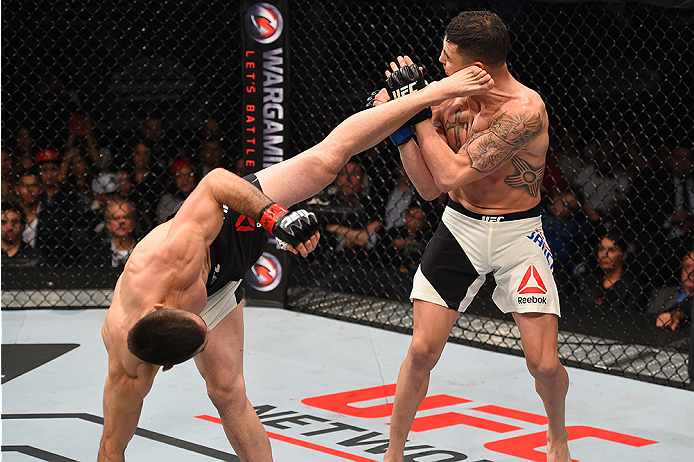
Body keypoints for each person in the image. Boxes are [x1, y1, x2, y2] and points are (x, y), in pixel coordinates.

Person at [97, 63, 495, 461]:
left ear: (163, 309)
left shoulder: (169, 254)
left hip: (225, 228)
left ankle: (420, 97)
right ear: (163, 366)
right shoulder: (130, 373)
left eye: (196, 316)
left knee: (325, 163)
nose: (210, 316)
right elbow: (110, 450)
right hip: (210, 283)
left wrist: (277, 218)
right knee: (226, 389)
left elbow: (216, 181)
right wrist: (203, 315)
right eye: (202, 321)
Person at [372, 11, 571, 462]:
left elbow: (449, 172)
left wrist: (416, 109)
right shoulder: (449, 101)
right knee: (421, 351)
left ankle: (557, 435)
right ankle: (394, 450)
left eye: (448, 57)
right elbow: (427, 188)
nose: (439, 61)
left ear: (477, 66)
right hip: (458, 227)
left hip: (518, 238)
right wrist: (402, 131)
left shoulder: (524, 110)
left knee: (542, 363)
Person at [650, 250, 694, 332]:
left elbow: (688, 306)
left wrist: (677, 313)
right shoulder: (661, 294)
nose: (691, 272)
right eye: (687, 266)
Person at [91, 199, 138, 269]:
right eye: (116, 218)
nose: (121, 222)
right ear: (108, 224)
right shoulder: (95, 255)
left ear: (133, 222)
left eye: (126, 217)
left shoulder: (144, 253)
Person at [1, 200, 40, 266]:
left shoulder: (35, 257)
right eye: (3, 223)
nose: (10, 227)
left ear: (22, 225)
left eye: (15, 222)